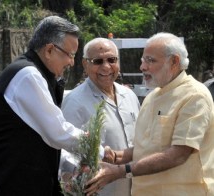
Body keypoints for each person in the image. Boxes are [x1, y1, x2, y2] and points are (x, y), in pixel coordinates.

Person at [0, 16, 109, 196]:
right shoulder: (28, 75)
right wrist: (97, 149)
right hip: (8, 184)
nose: (71, 62)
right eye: (70, 54)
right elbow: (57, 132)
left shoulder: (36, 74)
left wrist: (71, 166)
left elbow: (40, 140)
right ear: (49, 50)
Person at [85, 32, 214, 196]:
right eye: (143, 60)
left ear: (174, 61)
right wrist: (118, 156)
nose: (142, 67)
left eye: (150, 60)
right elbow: (147, 147)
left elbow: (178, 154)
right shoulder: (153, 96)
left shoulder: (194, 96)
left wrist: (121, 171)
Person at [60, 37, 140, 196]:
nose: (106, 67)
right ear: (85, 64)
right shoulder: (75, 102)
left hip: (137, 188)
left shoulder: (129, 95)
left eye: (111, 60)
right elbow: (66, 155)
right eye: (97, 61)